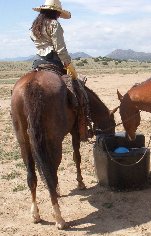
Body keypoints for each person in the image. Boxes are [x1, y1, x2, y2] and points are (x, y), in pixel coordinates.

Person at [30, 0, 77, 79]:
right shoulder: (54, 24)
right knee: (73, 84)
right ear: (54, 12)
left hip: (37, 60)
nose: (59, 16)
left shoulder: (35, 26)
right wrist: (68, 63)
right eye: (58, 13)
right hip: (53, 60)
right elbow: (60, 48)